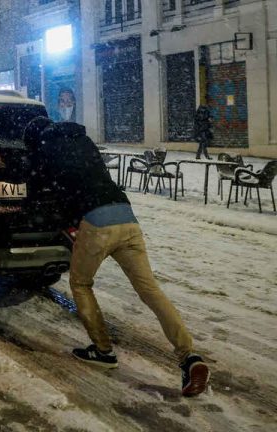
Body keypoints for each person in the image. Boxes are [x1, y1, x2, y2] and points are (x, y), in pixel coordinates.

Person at [23, 117, 210, 397]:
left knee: (81, 284)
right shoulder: (82, 140)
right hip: (125, 213)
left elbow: (47, 187)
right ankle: (189, 356)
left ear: (35, 138)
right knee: (150, 291)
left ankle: (103, 350)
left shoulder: (46, 148)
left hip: (96, 221)